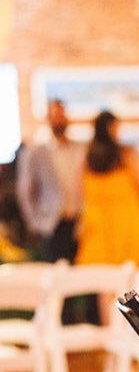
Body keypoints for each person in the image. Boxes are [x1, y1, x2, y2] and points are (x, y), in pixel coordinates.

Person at [77, 110, 139, 271]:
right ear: (111, 127)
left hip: (96, 227)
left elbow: (80, 193)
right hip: (126, 225)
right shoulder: (126, 155)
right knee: (130, 286)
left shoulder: (86, 158)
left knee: (104, 282)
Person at [15, 98, 84, 262]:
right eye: (55, 115)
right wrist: (36, 223)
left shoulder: (78, 149)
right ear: (48, 119)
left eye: (62, 114)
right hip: (53, 224)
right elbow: (25, 190)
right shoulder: (37, 153)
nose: (59, 119)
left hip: (79, 223)